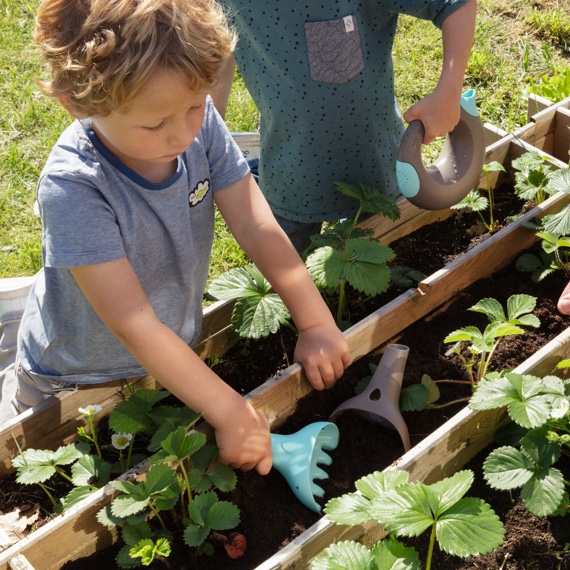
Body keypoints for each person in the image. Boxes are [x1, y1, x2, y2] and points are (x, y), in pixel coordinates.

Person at [0, 0, 350, 475]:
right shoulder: (75, 187)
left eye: (195, 105)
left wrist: (313, 322)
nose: (184, 132)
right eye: (154, 124)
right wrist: (230, 411)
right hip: (73, 375)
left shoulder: (199, 124)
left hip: (168, 351)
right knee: (28, 461)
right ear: (77, 104)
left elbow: (255, 223)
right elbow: (134, 323)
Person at [212, 0, 478, 253]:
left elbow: (454, 5)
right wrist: (211, 130)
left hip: (372, 168)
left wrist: (448, 92)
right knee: (278, 275)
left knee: (381, 260)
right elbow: (220, 43)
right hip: (289, 173)